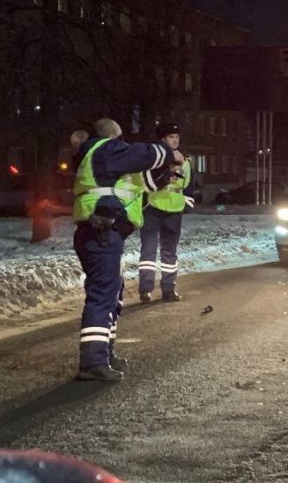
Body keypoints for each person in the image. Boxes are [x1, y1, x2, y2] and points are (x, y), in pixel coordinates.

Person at [73, 117, 183, 381]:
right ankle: (92, 362)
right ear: (112, 136)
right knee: (102, 296)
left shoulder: (104, 162)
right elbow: (141, 154)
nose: (121, 144)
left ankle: (104, 354)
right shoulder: (104, 149)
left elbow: (140, 181)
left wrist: (164, 176)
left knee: (113, 295)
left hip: (106, 233)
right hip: (101, 231)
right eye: (119, 139)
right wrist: (168, 152)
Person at [138, 122, 194, 303]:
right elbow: (146, 183)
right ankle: (146, 290)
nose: (175, 140)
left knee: (170, 253)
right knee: (148, 251)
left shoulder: (185, 161)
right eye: (171, 137)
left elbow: (189, 187)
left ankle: (169, 290)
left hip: (174, 212)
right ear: (163, 140)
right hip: (153, 209)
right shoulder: (153, 160)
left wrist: (187, 204)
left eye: (177, 137)